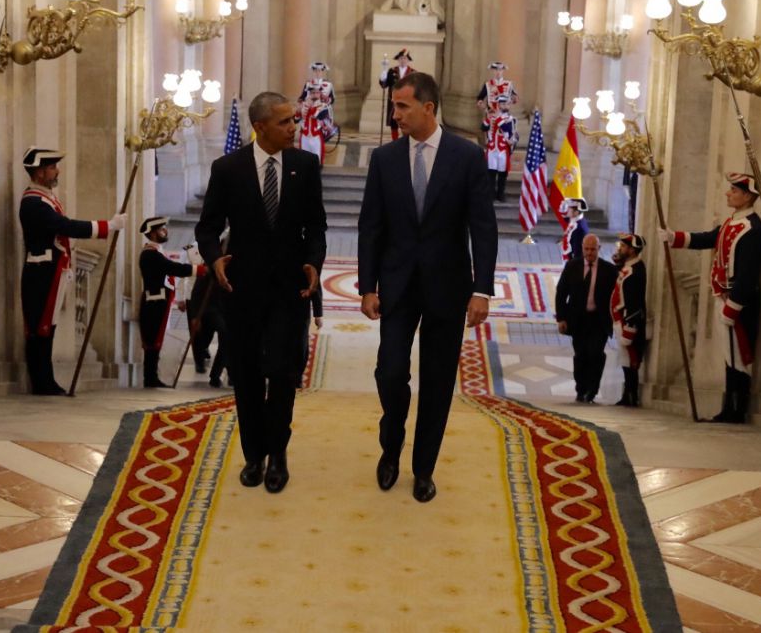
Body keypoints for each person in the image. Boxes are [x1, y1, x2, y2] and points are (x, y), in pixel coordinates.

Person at [358, 71, 498, 503]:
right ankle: (391, 445)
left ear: (429, 108)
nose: (395, 114)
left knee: (437, 382)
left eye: (402, 106)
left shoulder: (467, 157)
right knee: (390, 372)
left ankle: (423, 469)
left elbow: (483, 227)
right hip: (397, 286)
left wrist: (482, 289)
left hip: (447, 287)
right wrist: (367, 286)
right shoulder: (384, 159)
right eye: (394, 106)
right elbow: (371, 226)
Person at [194, 92, 327, 494]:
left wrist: (313, 262)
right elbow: (207, 227)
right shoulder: (228, 168)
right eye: (285, 121)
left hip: (289, 290)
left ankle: (278, 454)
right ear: (260, 127)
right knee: (247, 375)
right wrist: (214, 258)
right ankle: (254, 455)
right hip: (242, 291)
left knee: (283, 374)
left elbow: (316, 226)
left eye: (294, 120)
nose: (293, 128)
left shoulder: (305, 165)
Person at [659, 173, 761, 423]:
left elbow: (748, 274)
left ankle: (737, 409)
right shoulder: (732, 222)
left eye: (734, 191)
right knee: (729, 354)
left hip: (739, 302)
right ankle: (728, 407)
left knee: (739, 356)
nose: (728, 193)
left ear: (747, 196)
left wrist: (733, 306)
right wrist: (675, 238)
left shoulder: (754, 229)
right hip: (724, 297)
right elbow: (709, 238)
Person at [19, 147, 126, 396]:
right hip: (41, 271)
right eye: (52, 167)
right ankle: (41, 382)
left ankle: (46, 380)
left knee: (48, 327)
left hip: (50, 270)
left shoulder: (45, 199)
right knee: (39, 329)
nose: (57, 171)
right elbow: (64, 226)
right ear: (39, 172)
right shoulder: (34, 202)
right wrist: (107, 226)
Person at [555, 234, 617, 404]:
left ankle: (592, 390)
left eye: (593, 249)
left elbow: (617, 296)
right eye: (586, 249)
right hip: (578, 320)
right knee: (581, 355)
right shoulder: (572, 266)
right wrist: (561, 318)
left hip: (599, 321)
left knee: (596, 354)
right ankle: (581, 389)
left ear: (599, 249)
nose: (589, 253)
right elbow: (561, 293)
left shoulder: (609, 270)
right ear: (582, 249)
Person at [137, 216, 197, 388]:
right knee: (152, 341)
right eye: (162, 229)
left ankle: (152, 377)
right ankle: (150, 378)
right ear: (153, 234)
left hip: (158, 301)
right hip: (154, 301)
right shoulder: (150, 254)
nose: (166, 231)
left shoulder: (156, 252)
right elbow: (173, 268)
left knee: (155, 340)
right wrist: (198, 270)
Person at [183, 242, 231, 388]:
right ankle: (207, 367)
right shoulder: (210, 266)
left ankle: (222, 374)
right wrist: (195, 316)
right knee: (220, 336)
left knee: (228, 341)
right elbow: (196, 294)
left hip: (227, 310)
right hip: (211, 310)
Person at [611, 233, 648, 407]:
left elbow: (634, 301)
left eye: (624, 247)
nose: (621, 249)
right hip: (621, 319)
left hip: (628, 321)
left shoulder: (636, 271)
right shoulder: (628, 265)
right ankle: (627, 393)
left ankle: (632, 394)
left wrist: (630, 327)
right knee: (624, 359)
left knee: (631, 358)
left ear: (632, 250)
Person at [481, 96, 518, 201]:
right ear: (498, 105)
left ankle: (500, 194)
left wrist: (498, 118)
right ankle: (491, 194)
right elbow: (483, 128)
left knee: (502, 173)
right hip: (492, 149)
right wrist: (487, 118)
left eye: (507, 104)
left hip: (503, 149)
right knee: (491, 173)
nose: (506, 106)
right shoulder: (491, 117)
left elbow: (508, 129)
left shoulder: (511, 119)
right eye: (503, 104)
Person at [378, 49, 414, 140]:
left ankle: (405, 141)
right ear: (398, 60)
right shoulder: (392, 71)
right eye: (401, 58)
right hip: (394, 102)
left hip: (407, 103)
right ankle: (395, 141)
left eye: (405, 58)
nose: (403, 60)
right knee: (394, 123)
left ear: (408, 60)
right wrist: (383, 76)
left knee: (406, 122)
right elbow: (384, 85)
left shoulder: (413, 73)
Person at [559, 197, 589, 262]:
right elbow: (565, 217)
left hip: (572, 262)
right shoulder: (576, 219)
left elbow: (578, 253)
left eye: (569, 208)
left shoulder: (579, 229)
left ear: (576, 212)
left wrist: (572, 265)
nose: (567, 210)